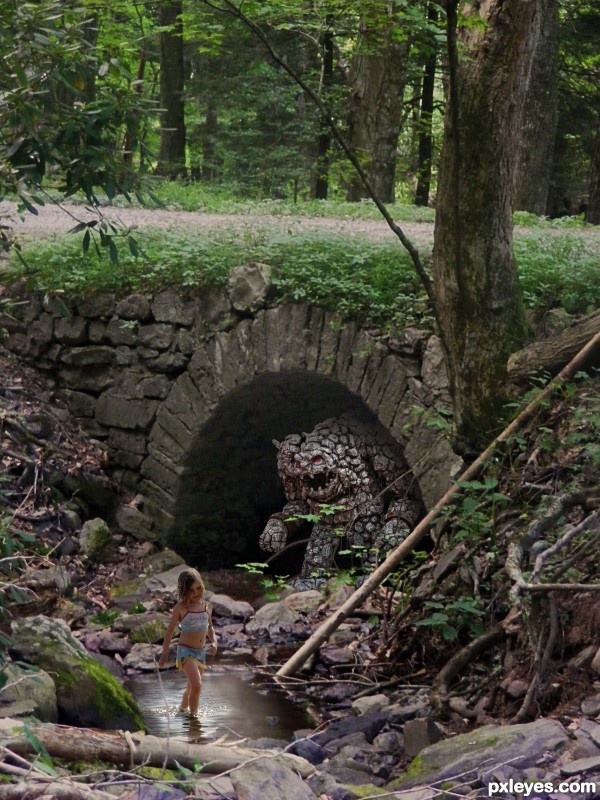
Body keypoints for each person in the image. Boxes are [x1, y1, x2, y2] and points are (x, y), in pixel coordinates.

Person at [158, 568, 217, 717]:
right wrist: (164, 653)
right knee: (197, 685)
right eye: (191, 591)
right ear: (184, 591)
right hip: (186, 652)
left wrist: (214, 642)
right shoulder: (180, 608)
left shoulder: (206, 607)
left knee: (192, 688)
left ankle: (182, 711)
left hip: (200, 652)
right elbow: (169, 631)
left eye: (199, 588)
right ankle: (193, 719)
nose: (196, 593)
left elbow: (210, 628)